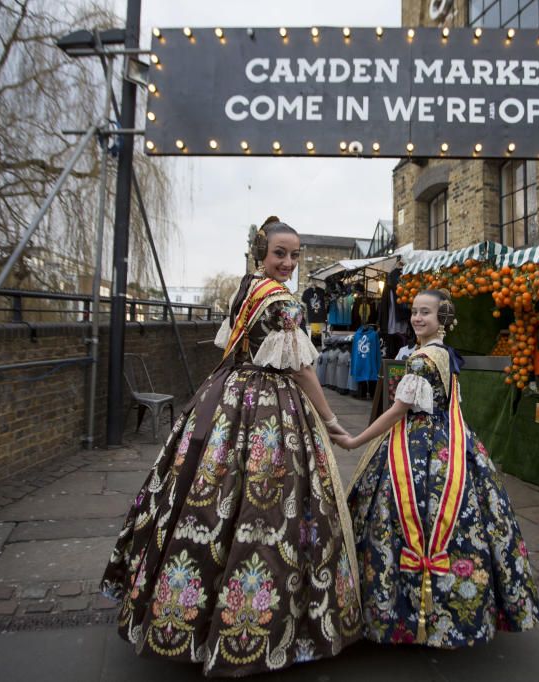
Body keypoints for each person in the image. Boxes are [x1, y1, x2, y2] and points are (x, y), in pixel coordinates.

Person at [100, 217, 362, 676]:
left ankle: (182, 616)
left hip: (225, 395)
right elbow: (301, 371)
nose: (288, 262)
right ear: (262, 251)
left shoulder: (245, 289)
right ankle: (270, 626)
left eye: (295, 255)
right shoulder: (283, 302)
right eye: (280, 252)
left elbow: (237, 348)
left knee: (203, 493)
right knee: (274, 503)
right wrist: (332, 420)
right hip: (272, 407)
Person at [331, 289, 539, 648]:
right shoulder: (444, 354)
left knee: (399, 516)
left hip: (417, 447)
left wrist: (354, 441)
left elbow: (398, 411)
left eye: (425, 313)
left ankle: (406, 612)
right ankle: (456, 610)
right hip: (451, 442)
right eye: (414, 312)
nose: (416, 318)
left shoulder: (420, 360)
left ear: (442, 319)